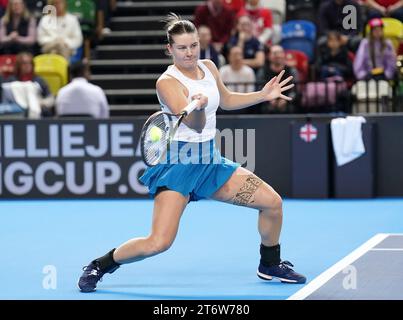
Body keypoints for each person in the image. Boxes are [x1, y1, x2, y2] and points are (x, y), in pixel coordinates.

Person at [78, 13, 306, 293]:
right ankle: (100, 264)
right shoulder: (168, 83)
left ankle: (270, 263)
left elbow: (228, 100)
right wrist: (196, 107)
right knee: (159, 242)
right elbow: (195, 126)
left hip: (210, 162)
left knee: (272, 203)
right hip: (180, 165)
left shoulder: (209, 66)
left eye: (194, 45)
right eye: (182, 47)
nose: (190, 52)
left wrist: (262, 94)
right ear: (169, 49)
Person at [4, 51, 54, 116]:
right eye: (24, 63)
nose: (27, 65)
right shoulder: (11, 80)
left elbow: (50, 98)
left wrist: (41, 103)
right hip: (16, 108)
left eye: (30, 63)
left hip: (37, 107)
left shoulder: (39, 80)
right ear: (18, 65)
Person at [257, 45, 298, 113]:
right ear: (269, 56)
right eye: (275, 53)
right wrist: (269, 99)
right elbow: (259, 88)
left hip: (287, 103)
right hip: (267, 102)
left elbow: (295, 90)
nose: (278, 55)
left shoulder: (292, 71)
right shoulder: (262, 71)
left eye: (280, 53)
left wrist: (286, 100)